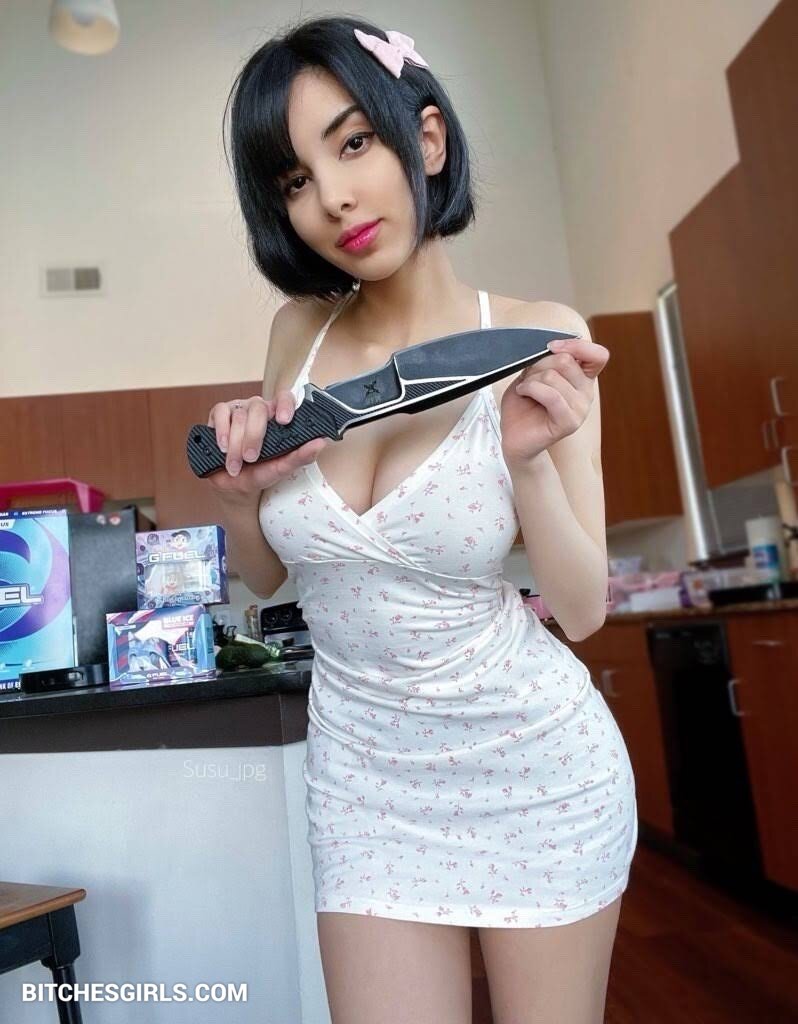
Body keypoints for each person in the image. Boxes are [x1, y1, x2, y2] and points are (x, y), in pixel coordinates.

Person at [204, 15, 637, 1023]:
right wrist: (237, 493)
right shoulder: (297, 337)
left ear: (427, 139)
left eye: (354, 143)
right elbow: (267, 574)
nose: (333, 197)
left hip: (536, 771)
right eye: (296, 180)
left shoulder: (538, 335)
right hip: (364, 784)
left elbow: (583, 610)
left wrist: (527, 464)